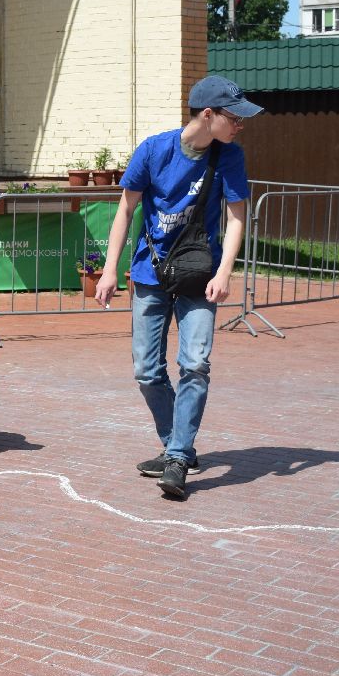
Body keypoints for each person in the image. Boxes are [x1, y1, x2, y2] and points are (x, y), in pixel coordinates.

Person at [95, 75, 259, 500]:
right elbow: (126, 209)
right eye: (234, 117)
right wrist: (110, 269)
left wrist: (225, 272)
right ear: (209, 114)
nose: (240, 125)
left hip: (199, 274)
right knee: (147, 371)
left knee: (195, 364)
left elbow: (238, 216)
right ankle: (175, 445)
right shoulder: (154, 149)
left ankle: (179, 457)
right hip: (150, 274)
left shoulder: (230, 157)